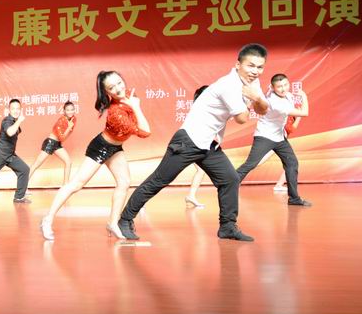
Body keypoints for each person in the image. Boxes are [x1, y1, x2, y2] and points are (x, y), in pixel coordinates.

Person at [117, 43, 270, 242]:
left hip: (208, 143)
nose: (255, 71)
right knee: (159, 180)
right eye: (251, 66)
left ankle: (227, 227)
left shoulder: (253, 84)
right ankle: (124, 220)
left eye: (260, 67)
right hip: (189, 140)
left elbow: (262, 109)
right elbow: (242, 118)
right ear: (238, 64)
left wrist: (257, 97)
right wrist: (256, 99)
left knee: (230, 179)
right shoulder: (228, 85)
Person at [40, 72, 150, 241]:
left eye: (119, 83)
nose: (118, 88)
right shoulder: (115, 112)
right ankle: (47, 220)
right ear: (107, 92)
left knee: (124, 182)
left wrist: (133, 104)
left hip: (115, 147)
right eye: (112, 87)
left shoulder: (129, 96)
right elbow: (145, 132)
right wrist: (136, 107)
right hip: (100, 147)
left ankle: (113, 223)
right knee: (76, 184)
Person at [236, 74, 311, 206]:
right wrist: (304, 96)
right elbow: (305, 113)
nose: (283, 89)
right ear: (273, 87)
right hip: (265, 136)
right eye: (279, 87)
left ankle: (294, 198)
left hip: (279, 138)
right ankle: (228, 184)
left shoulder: (287, 95)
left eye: (285, 85)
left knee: (292, 163)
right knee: (251, 164)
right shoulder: (275, 102)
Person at [28, 101, 77, 187]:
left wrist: (69, 129)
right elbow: (62, 137)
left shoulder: (73, 119)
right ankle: (22, 187)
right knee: (36, 164)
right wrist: (68, 128)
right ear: (64, 111)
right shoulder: (61, 120)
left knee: (68, 162)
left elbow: (66, 135)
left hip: (57, 144)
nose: (70, 112)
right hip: (50, 143)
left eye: (72, 109)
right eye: (68, 110)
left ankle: (65, 186)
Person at [185, 86, 209, 208]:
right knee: (165, 176)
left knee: (201, 170)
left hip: (196, 144)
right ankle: (141, 200)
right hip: (189, 144)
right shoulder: (200, 109)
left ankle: (191, 196)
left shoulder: (204, 109)